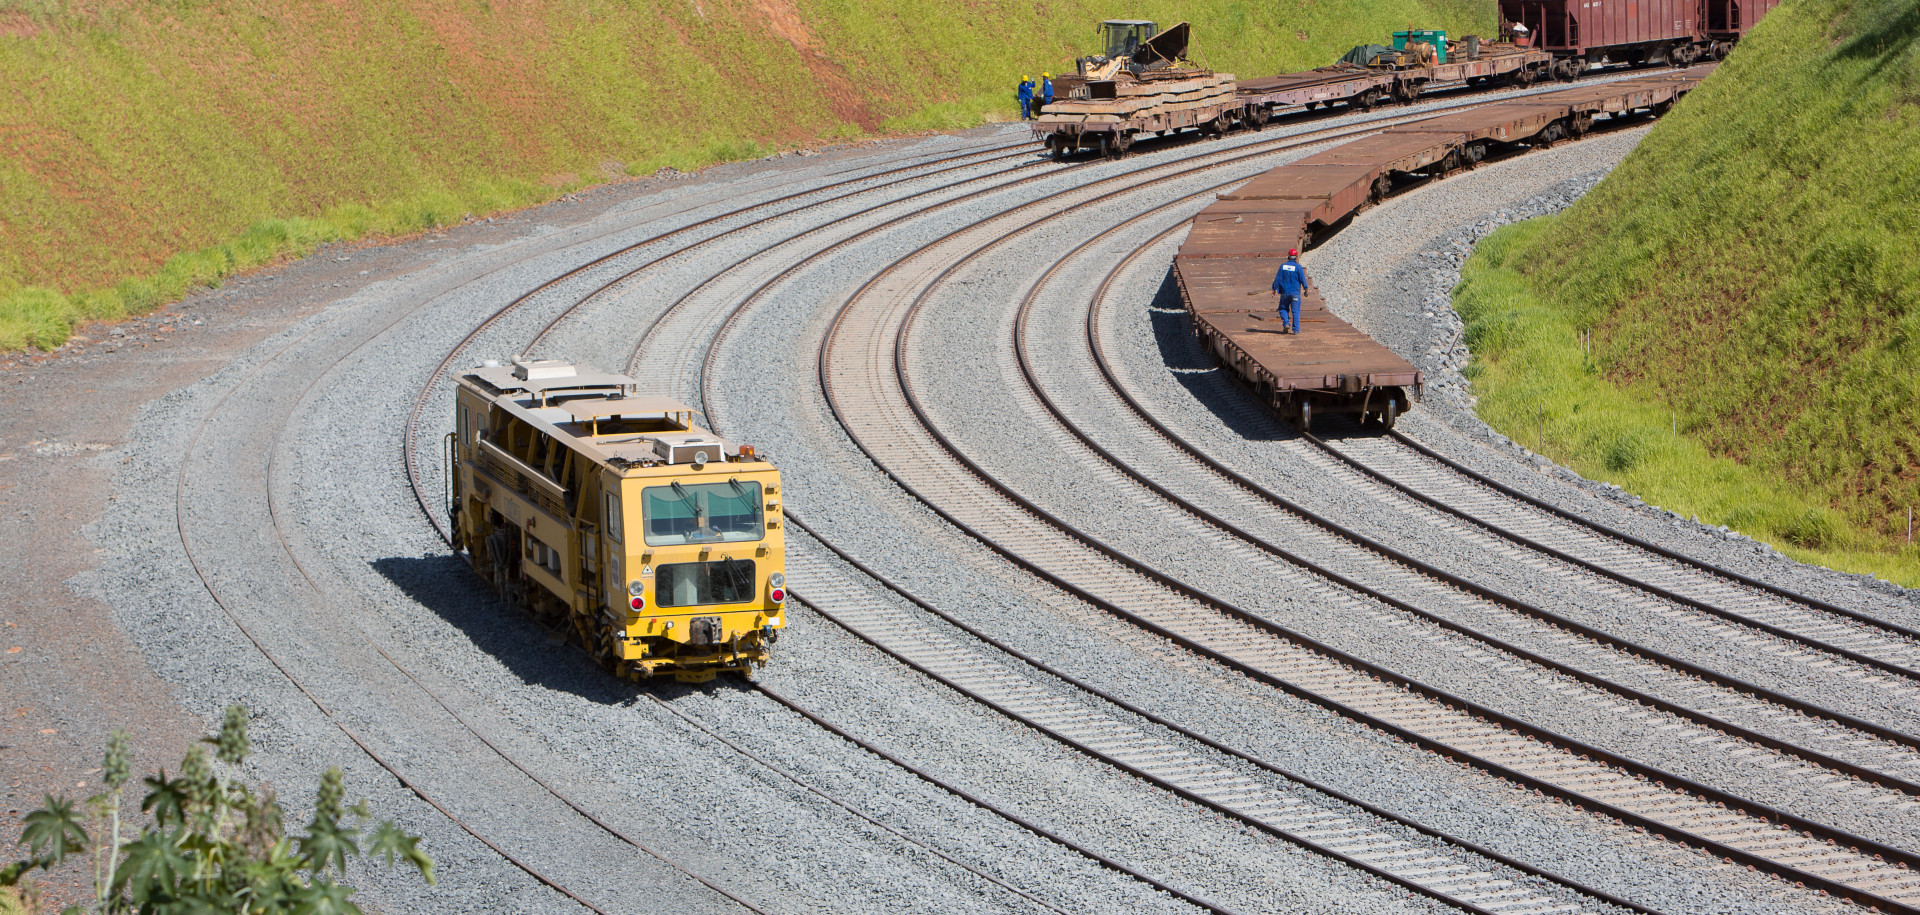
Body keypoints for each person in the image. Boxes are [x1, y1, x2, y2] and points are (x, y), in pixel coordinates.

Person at [1271, 249, 1307, 334]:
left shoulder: (1282, 266)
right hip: (1295, 293)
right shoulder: (1298, 267)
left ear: (1288, 256)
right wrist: (1306, 289)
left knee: (1283, 308)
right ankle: (1296, 330)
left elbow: (1278, 279)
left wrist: (1274, 289)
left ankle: (1286, 323)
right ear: (1296, 257)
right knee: (1296, 311)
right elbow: (1303, 279)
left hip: (1285, 293)